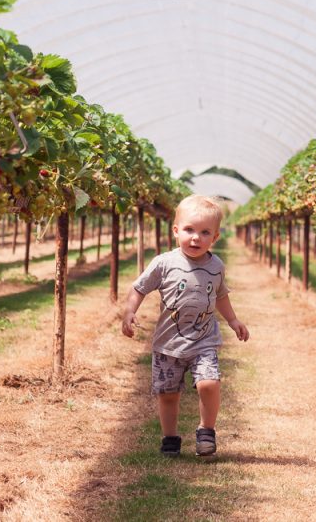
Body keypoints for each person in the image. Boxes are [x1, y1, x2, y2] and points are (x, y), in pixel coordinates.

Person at [121, 195, 249, 457]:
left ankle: (206, 430)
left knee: (209, 382)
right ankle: (170, 438)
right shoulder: (164, 262)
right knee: (168, 394)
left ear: (215, 238)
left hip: (204, 340)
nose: (196, 238)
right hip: (168, 343)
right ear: (176, 231)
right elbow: (139, 288)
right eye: (189, 230)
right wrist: (129, 311)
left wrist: (233, 320)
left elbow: (220, 295)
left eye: (205, 233)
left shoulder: (216, 266)